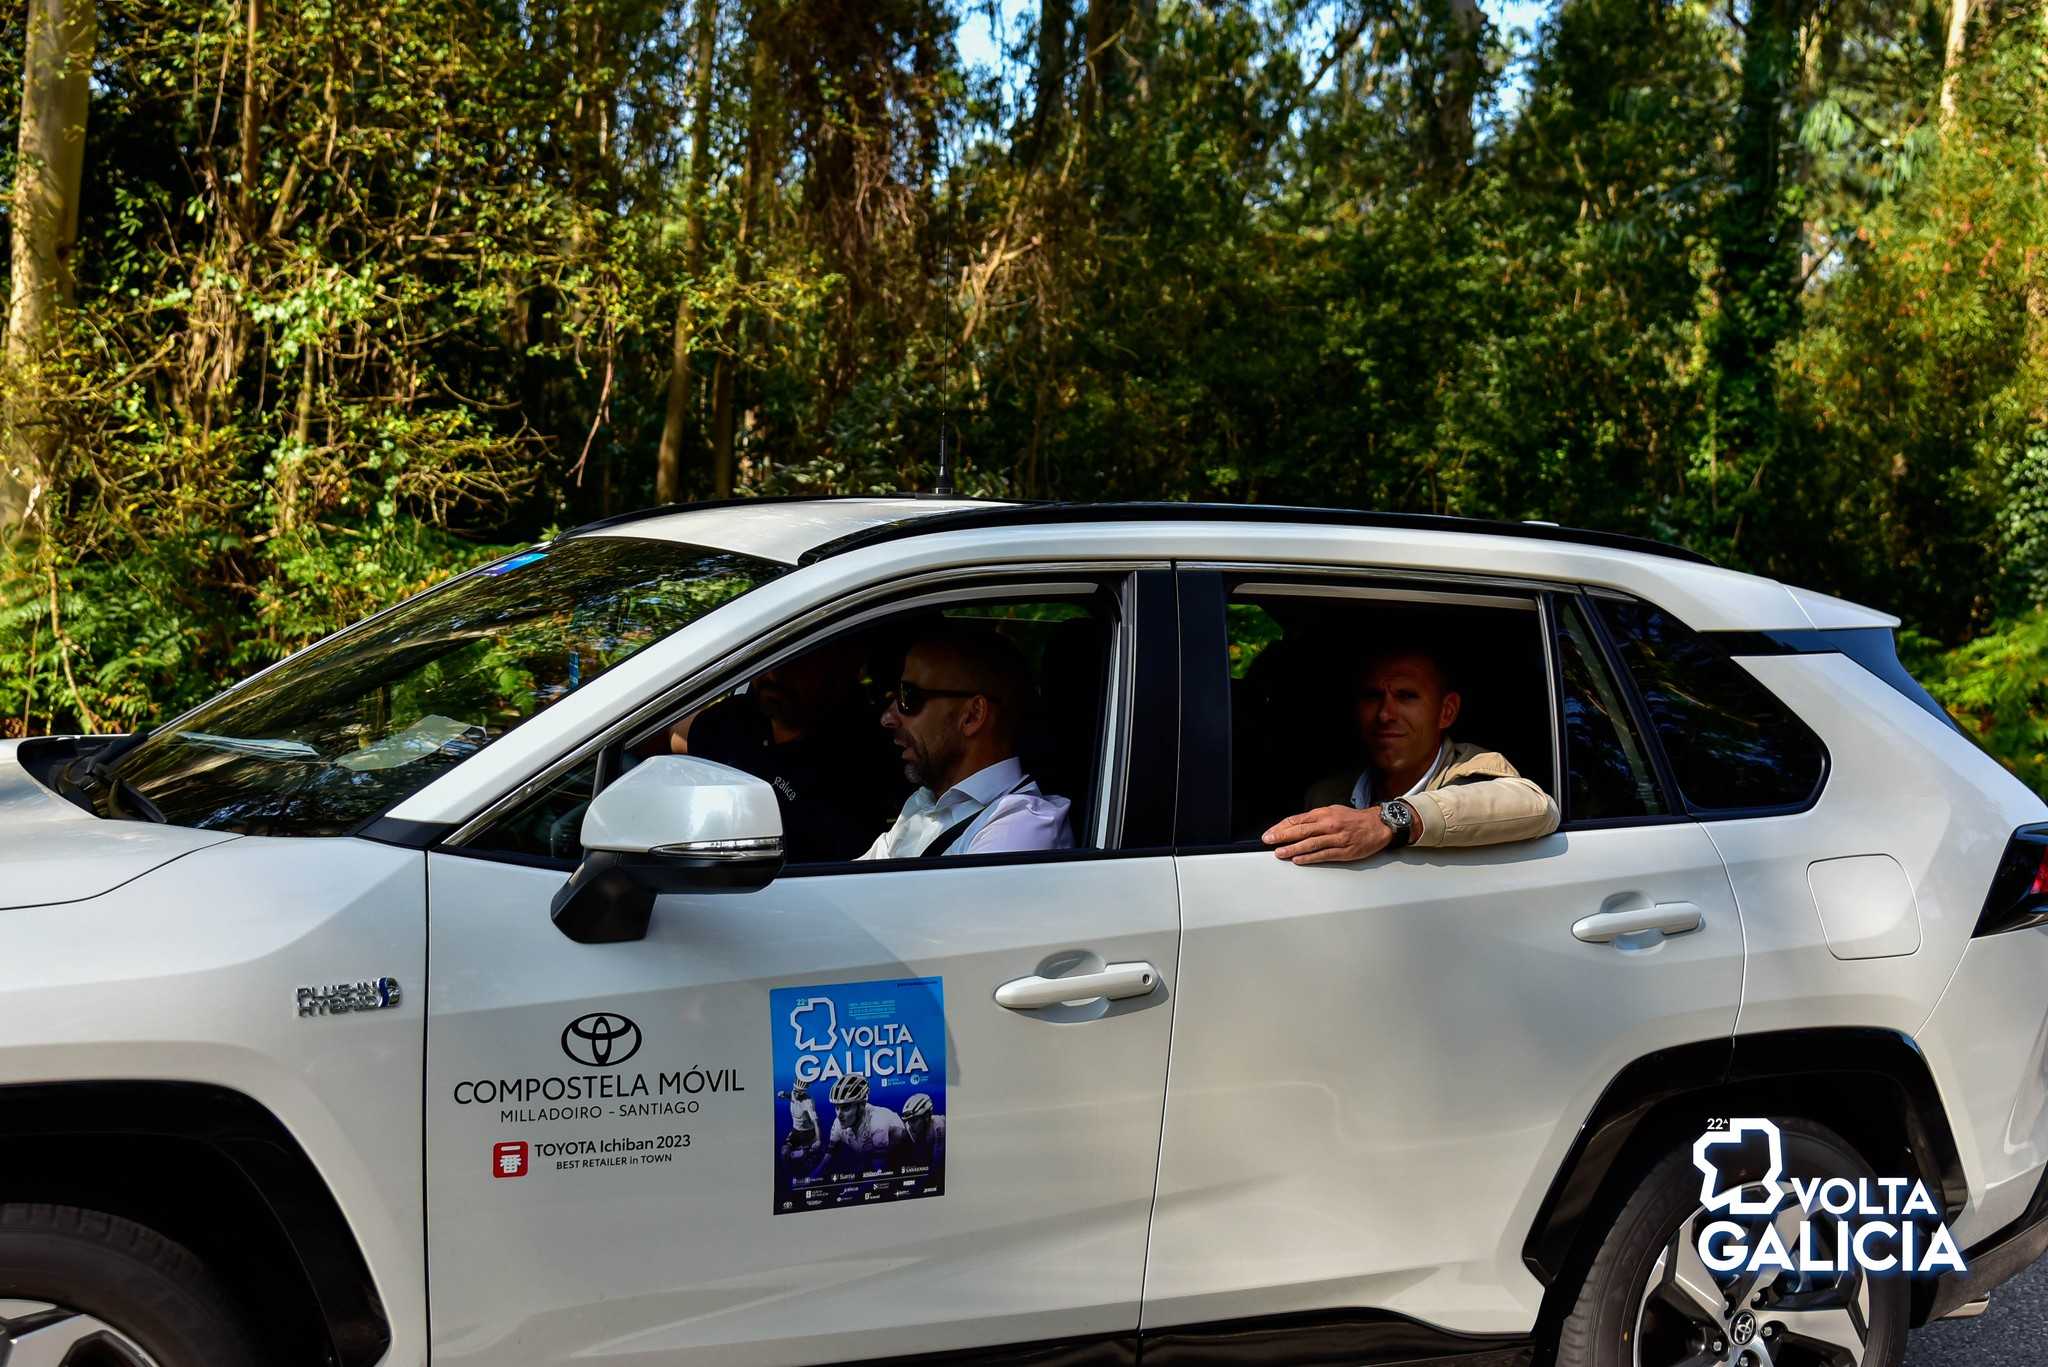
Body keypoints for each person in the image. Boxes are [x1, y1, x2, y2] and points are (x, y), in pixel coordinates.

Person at [1263, 641, 1558, 864]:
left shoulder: (1473, 770)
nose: (1385, 714)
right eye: (1372, 696)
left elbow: (1538, 806)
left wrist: (1387, 820)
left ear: (1446, 711)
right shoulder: (1326, 794)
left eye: (1406, 696)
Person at [671, 637, 906, 862]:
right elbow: (670, 734)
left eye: (795, 659)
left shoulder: (864, 760)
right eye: (765, 655)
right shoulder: (736, 718)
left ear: (843, 663)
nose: (772, 672)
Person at [855, 624, 1073, 860]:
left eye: (909, 697)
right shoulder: (923, 803)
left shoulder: (1023, 828)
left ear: (972, 716)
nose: (888, 718)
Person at [809, 1074, 908, 1179]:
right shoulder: (838, 1123)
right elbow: (826, 1162)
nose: (839, 1115)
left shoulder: (878, 1121)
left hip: (904, 1157)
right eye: (837, 1107)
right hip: (872, 1157)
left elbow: (880, 1174)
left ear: (861, 1106)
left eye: (845, 1108)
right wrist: (808, 1182)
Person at [901, 1092, 945, 1172]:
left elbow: (937, 1164)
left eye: (914, 1120)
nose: (910, 1125)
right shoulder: (907, 1128)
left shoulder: (940, 1127)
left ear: (927, 1116)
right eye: (908, 1121)